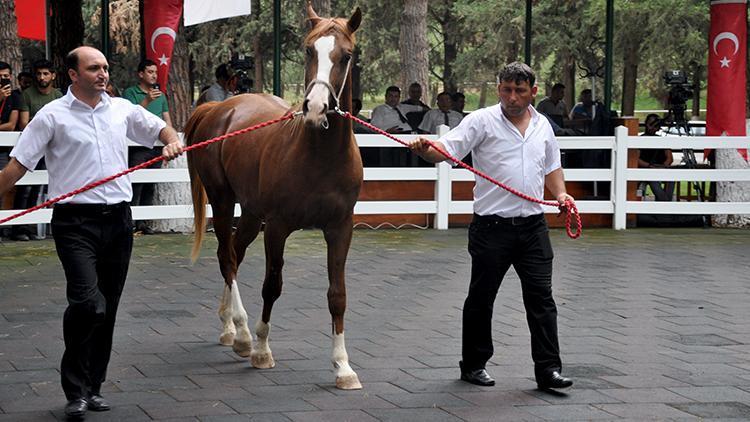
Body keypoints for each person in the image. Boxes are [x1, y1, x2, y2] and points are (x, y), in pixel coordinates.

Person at [0, 46, 183, 418]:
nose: (103, 74)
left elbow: (159, 128)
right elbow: (17, 167)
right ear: (73, 74)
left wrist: (172, 140)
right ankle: (75, 388)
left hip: (118, 220)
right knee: (88, 303)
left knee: (108, 308)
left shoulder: (121, 109)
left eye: (105, 67)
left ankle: (92, 388)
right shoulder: (51, 116)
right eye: (94, 68)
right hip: (74, 223)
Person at [408, 62, 574, 391]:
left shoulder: (544, 126)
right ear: (499, 88)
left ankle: (548, 370)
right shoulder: (481, 120)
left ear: (533, 92)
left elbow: (552, 166)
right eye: (506, 90)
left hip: (533, 228)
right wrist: (426, 150)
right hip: (491, 228)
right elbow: (447, 150)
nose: (512, 97)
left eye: (519, 91)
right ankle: (473, 364)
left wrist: (562, 194)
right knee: (481, 298)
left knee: (542, 299)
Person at [122, 59, 173, 234]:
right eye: (150, 72)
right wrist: (146, 100)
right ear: (141, 74)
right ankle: (129, 219)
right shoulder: (130, 93)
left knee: (151, 184)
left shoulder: (162, 95)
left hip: (157, 146)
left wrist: (170, 143)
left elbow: (167, 120)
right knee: (135, 184)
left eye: (155, 72)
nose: (153, 75)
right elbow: (129, 116)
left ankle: (143, 223)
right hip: (138, 146)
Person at [14, 59, 63, 241]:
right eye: (39, 74)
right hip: (32, 146)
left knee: (38, 188)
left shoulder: (58, 95)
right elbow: (24, 123)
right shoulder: (27, 94)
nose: (42, 77)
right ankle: (18, 228)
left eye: (46, 73)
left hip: (51, 149)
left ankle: (31, 226)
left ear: (53, 76)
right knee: (24, 188)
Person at [638, 113, 674, 201]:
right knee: (653, 181)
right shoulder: (639, 139)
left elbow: (670, 158)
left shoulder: (662, 139)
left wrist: (664, 166)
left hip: (660, 167)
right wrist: (649, 166)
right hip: (647, 169)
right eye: (650, 124)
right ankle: (665, 205)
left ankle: (664, 204)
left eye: (655, 125)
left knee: (672, 179)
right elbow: (636, 159)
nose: (652, 128)